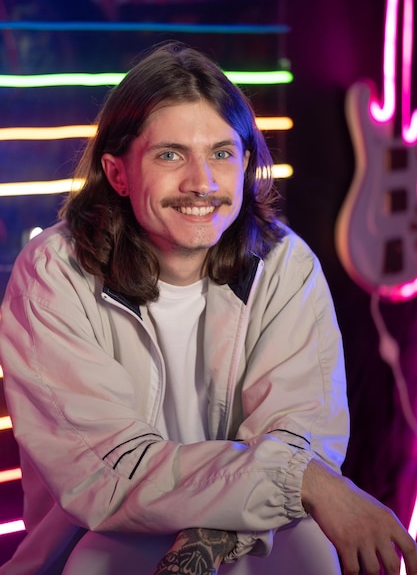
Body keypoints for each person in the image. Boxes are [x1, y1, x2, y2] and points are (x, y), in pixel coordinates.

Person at [0, 41, 415, 575]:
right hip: (88, 545)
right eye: (170, 154)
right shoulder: (52, 275)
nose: (202, 182)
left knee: (309, 551)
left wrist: (212, 535)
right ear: (119, 173)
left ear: (244, 166)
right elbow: (109, 470)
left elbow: (298, 437)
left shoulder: (285, 264)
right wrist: (301, 479)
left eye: (221, 153)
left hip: (251, 530)